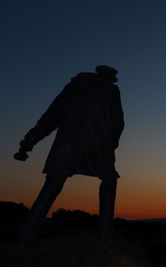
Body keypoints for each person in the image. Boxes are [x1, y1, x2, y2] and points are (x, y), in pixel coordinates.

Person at [14, 65, 124, 246]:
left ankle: (26, 233)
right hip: (98, 146)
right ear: (109, 77)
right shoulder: (111, 90)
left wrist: (28, 143)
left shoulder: (75, 86)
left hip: (67, 144)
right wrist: (111, 145)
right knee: (109, 181)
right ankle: (105, 234)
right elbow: (118, 122)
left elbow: (51, 116)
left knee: (52, 186)